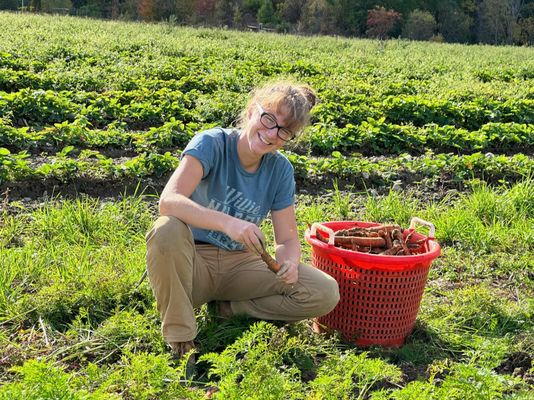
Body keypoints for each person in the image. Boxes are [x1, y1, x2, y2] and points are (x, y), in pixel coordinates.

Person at [145, 80, 340, 360]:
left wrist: (289, 262)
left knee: (324, 292)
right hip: (192, 264)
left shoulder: (280, 169)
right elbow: (169, 201)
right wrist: (228, 223)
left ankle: (230, 310)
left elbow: (286, 239)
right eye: (269, 119)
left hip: (241, 265)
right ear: (251, 111)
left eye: (284, 131)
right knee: (166, 228)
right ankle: (181, 338)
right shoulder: (212, 143)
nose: (272, 133)